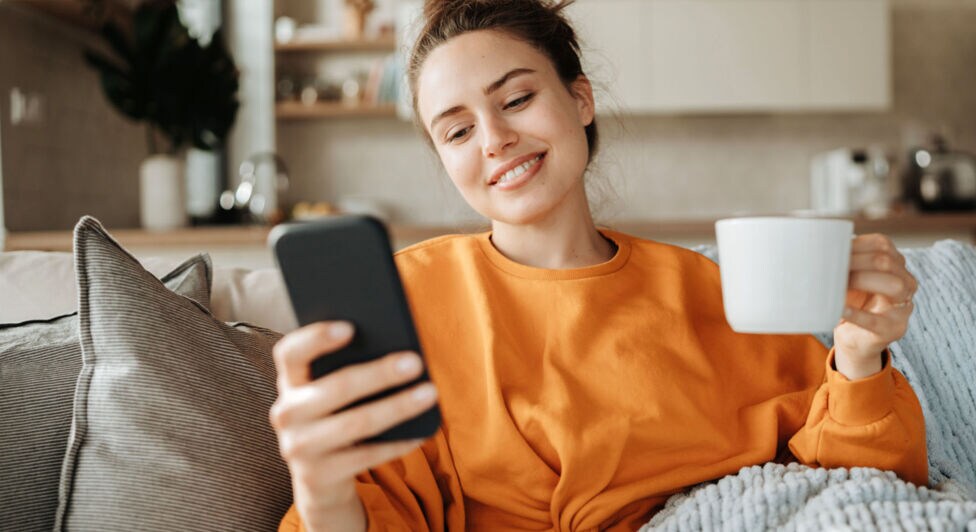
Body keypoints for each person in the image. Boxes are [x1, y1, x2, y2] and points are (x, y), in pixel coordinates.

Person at [270, 1, 926, 530]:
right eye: (458, 131)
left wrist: (859, 356)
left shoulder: (718, 294)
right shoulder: (410, 299)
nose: (494, 139)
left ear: (580, 101)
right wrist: (322, 491)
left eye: (517, 98)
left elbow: (856, 485)